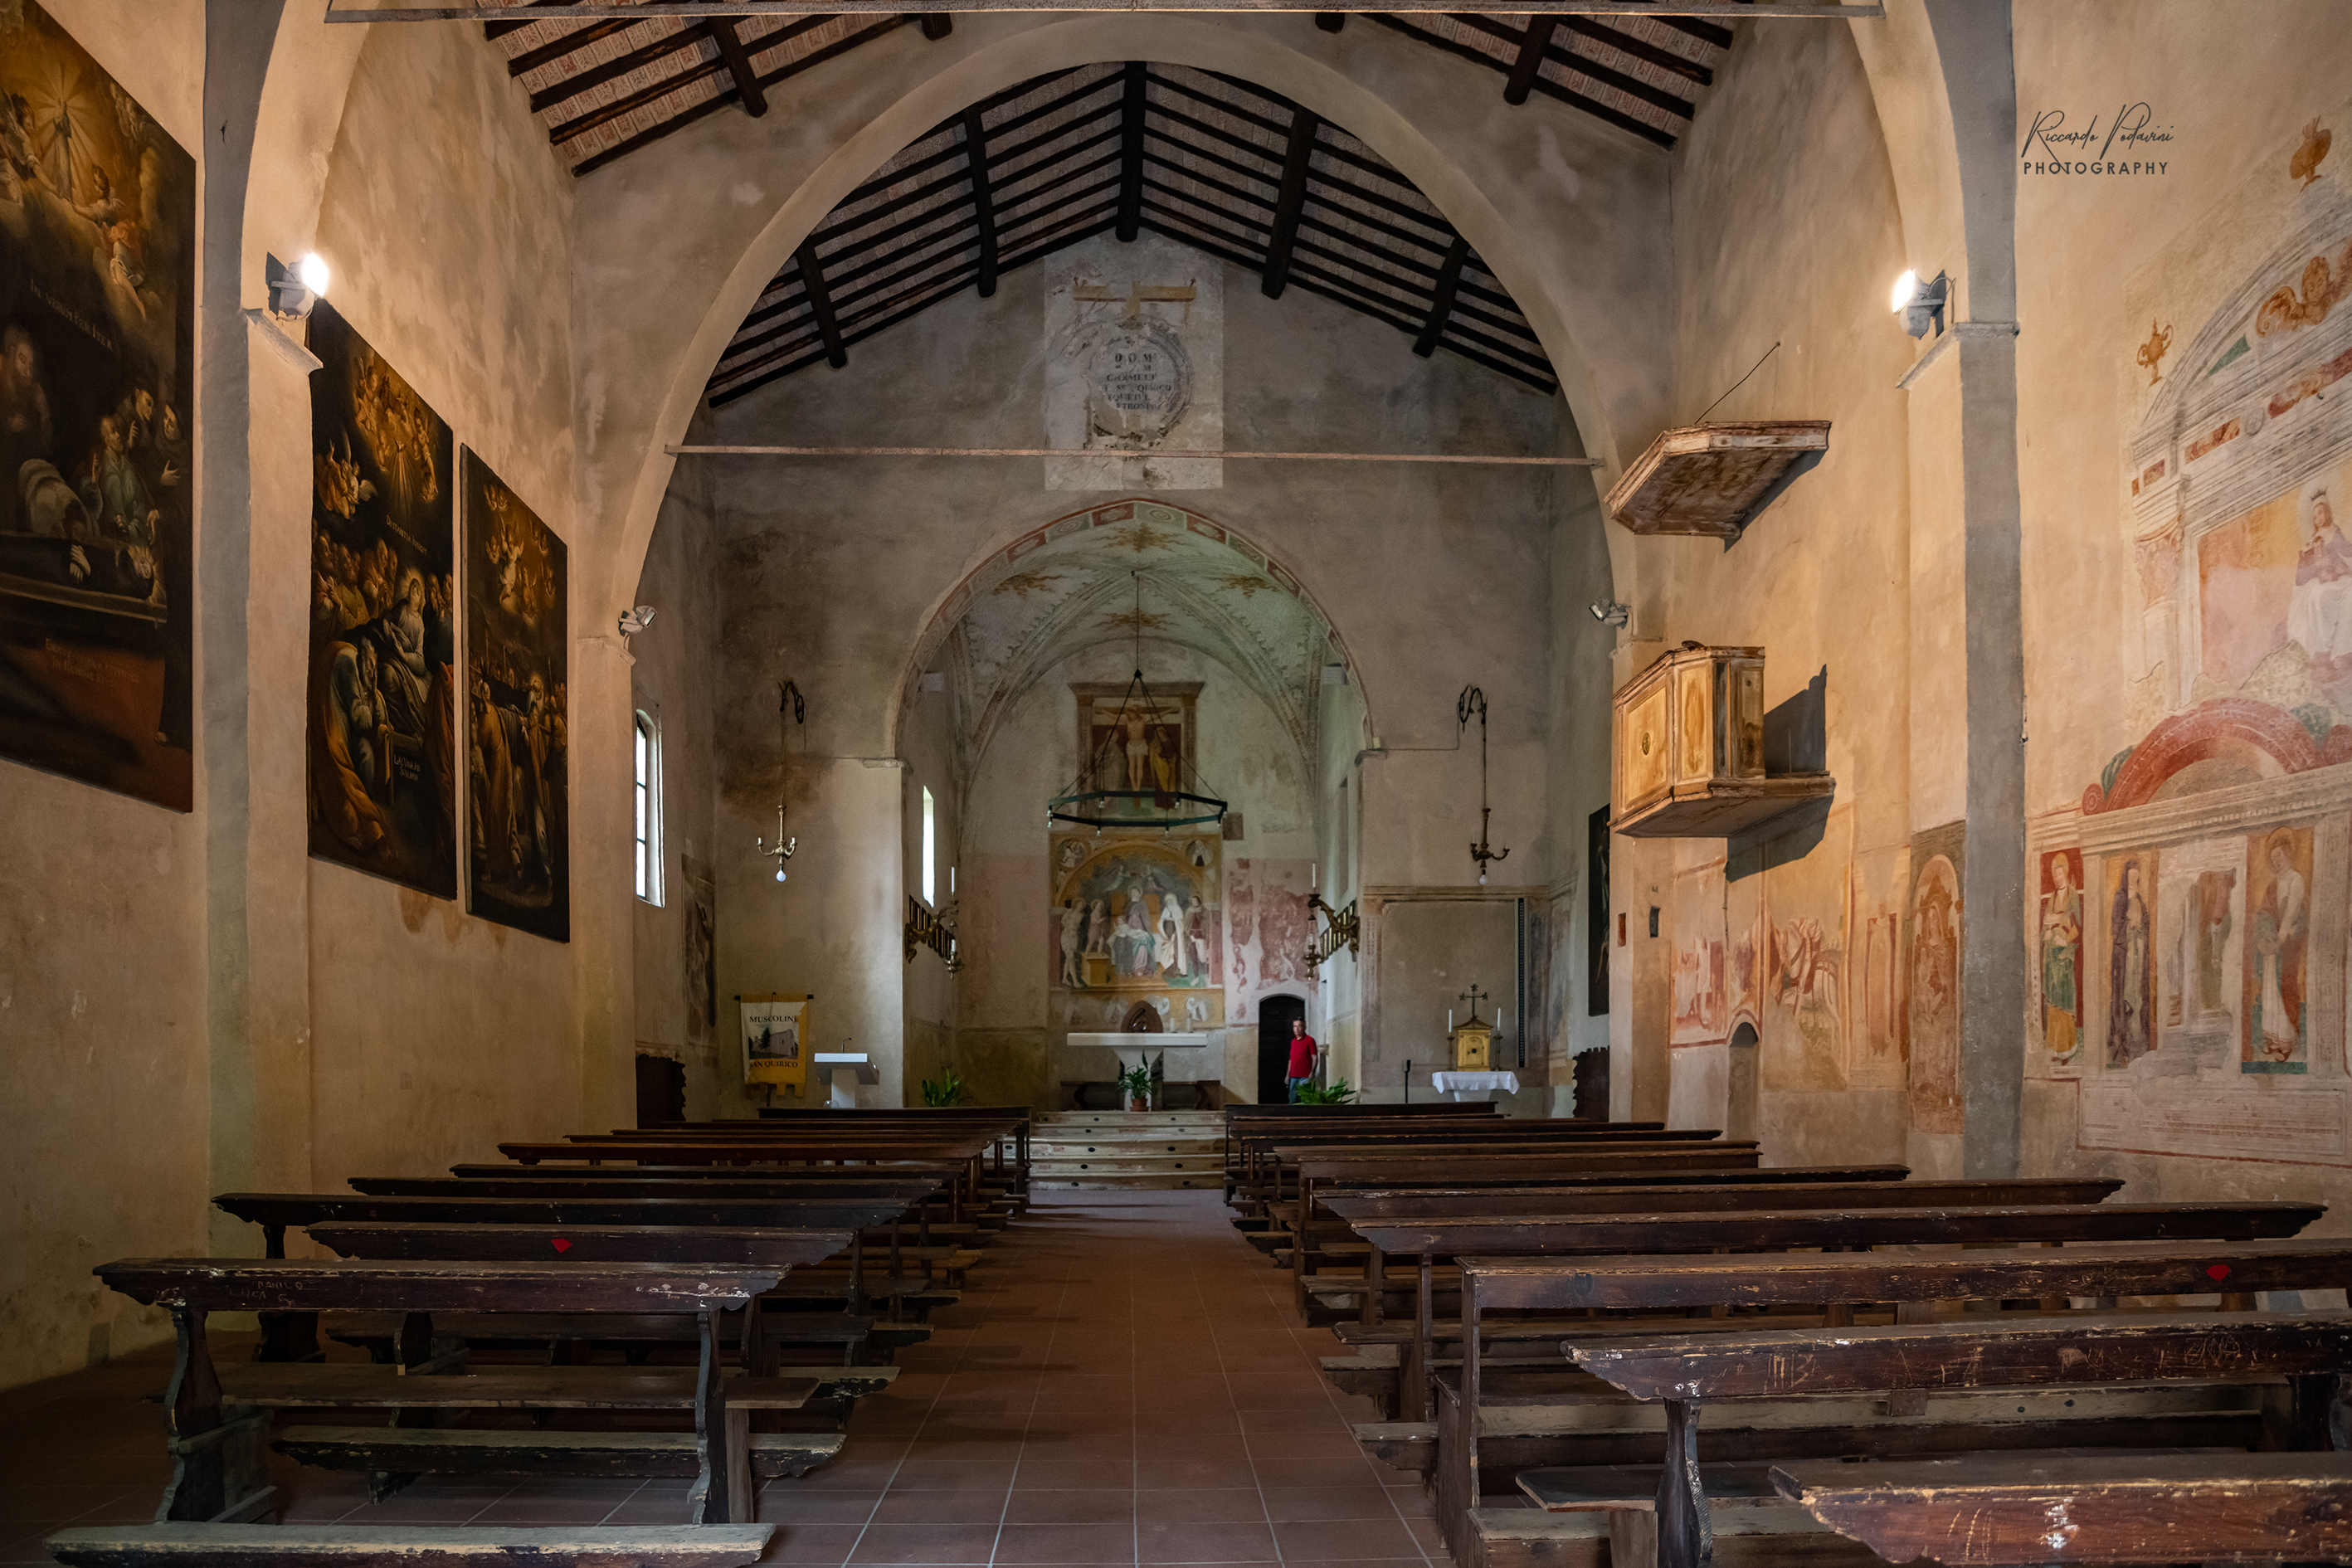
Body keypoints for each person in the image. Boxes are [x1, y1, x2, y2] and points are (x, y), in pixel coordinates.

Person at [1284, 1017, 1320, 1103]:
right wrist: (1287, 1075)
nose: (1297, 1029)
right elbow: (1291, 1060)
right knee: (1292, 1099)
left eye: (1299, 1026)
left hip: (1305, 1076)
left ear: (1304, 1027)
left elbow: (1315, 1057)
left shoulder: (1310, 1040)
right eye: (1295, 1026)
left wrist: (1313, 1072)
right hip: (1293, 1076)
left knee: (1304, 1100)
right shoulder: (1293, 1042)